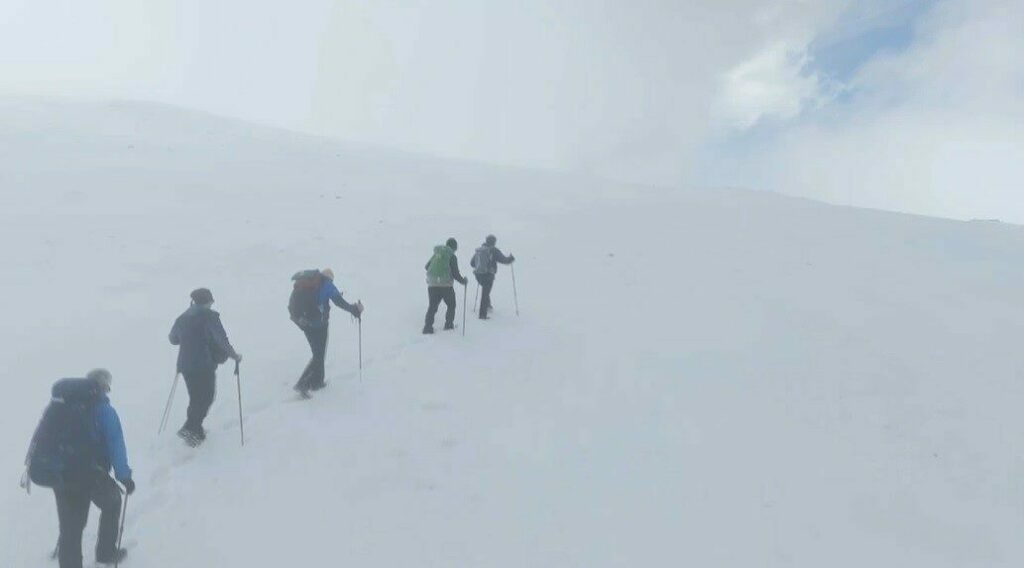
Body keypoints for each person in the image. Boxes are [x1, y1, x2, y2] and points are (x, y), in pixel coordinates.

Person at [44, 369, 135, 567]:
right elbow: (115, 443)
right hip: (90, 474)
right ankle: (106, 552)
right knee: (112, 503)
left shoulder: (60, 406)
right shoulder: (104, 410)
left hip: (60, 474)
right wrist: (124, 476)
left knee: (71, 527)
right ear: (103, 387)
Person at [168, 288, 241, 446]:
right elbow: (221, 339)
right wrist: (234, 355)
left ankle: (195, 430)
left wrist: (188, 337)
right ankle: (191, 428)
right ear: (207, 301)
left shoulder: (183, 318)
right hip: (203, 364)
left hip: (185, 365)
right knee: (206, 397)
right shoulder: (209, 317)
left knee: (196, 397)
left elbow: (173, 339)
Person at [291, 268, 363, 396]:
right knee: (319, 355)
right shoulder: (327, 285)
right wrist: (353, 309)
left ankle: (318, 382)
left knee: (317, 354)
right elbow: (339, 302)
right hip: (320, 325)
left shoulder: (306, 286)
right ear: (329, 278)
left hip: (306, 324)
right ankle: (303, 384)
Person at [423, 237, 468, 334]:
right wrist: (463, 281)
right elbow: (455, 273)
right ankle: (448, 325)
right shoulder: (451, 256)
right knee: (451, 305)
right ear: (454, 247)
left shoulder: (437, 253)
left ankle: (427, 327)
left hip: (432, 284)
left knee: (432, 306)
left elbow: (427, 267)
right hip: (446, 286)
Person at [470, 234, 515, 319]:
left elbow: (472, 263)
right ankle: (482, 315)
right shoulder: (494, 250)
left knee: (485, 290)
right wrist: (511, 258)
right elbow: (504, 260)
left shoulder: (479, 250)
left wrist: (480, 266)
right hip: (488, 275)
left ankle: (488, 305)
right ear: (494, 242)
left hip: (478, 275)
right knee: (485, 293)